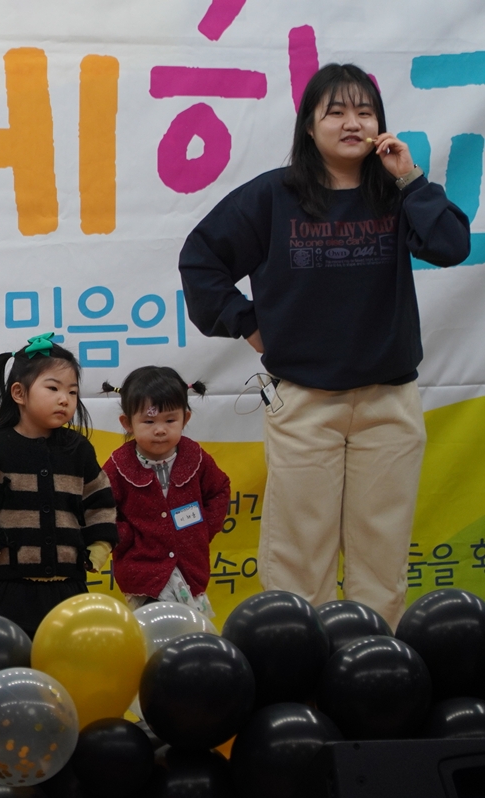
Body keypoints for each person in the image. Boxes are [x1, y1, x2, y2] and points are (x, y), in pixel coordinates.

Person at [178, 63, 471, 627]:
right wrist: (248, 324)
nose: (352, 123)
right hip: (305, 404)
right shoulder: (274, 196)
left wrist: (411, 179)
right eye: (335, 112)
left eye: (365, 112)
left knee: (381, 559)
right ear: (309, 127)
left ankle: (373, 664)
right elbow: (201, 259)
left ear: (380, 125)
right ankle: (297, 665)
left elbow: (451, 245)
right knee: (298, 558)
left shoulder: (395, 192)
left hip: (389, 402)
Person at [0, 332, 117, 640]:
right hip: (8, 588)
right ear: (19, 393)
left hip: (69, 586)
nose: (65, 399)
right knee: (4, 659)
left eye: (72, 392)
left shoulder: (78, 450)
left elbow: (100, 501)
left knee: (68, 659)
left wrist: (100, 545)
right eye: (53, 388)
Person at [102, 367, 229, 618]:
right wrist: (128, 539)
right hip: (143, 572)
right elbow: (101, 509)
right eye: (149, 422)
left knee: (194, 627)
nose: (160, 430)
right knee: (156, 630)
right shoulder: (117, 466)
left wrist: (203, 528)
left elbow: (219, 490)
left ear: (185, 419)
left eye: (170, 421)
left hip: (190, 567)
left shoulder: (196, 457)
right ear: (127, 423)